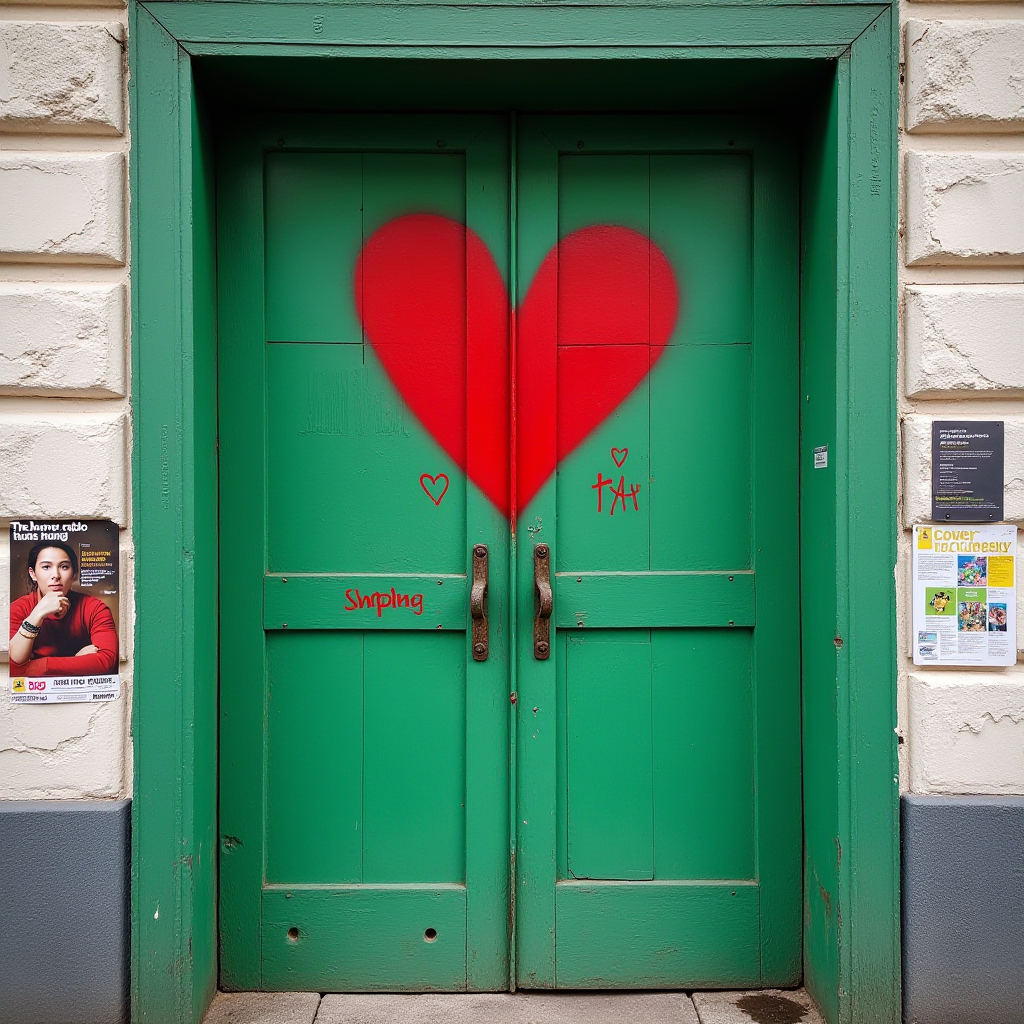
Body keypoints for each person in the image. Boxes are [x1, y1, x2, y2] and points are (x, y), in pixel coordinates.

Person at [8, 541, 118, 677]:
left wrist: (36, 667)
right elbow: (10, 667)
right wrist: (36, 615)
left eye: (64, 567)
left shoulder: (95, 608)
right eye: (46, 567)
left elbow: (107, 662)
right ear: (33, 574)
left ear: (74, 574)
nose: (56, 575)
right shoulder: (17, 609)